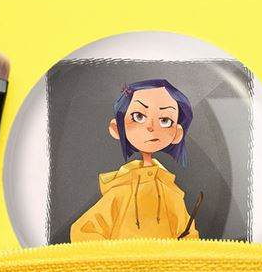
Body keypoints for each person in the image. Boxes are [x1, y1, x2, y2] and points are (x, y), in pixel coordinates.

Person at [71, 78, 201, 241]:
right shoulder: (120, 192)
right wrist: (114, 256)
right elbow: (84, 230)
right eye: (139, 116)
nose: (151, 127)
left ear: (177, 133)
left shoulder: (171, 194)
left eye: (165, 120)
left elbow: (189, 236)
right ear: (117, 128)